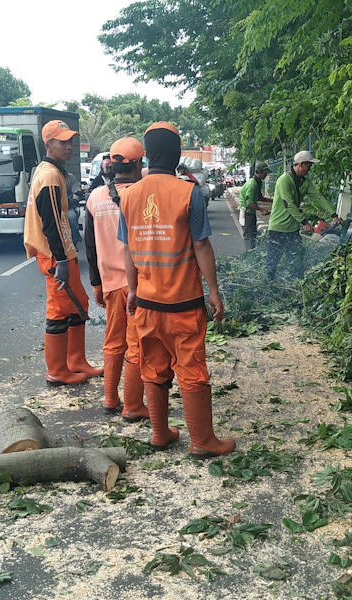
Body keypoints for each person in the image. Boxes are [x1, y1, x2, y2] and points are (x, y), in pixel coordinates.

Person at [118, 122, 235, 458]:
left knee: (153, 367)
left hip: (147, 304)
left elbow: (127, 249)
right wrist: (213, 291)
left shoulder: (131, 196)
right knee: (191, 368)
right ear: (176, 153)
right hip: (182, 305)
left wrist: (131, 290)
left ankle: (160, 432)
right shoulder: (188, 193)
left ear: (149, 154)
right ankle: (202, 441)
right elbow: (201, 247)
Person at [23, 120, 104, 386]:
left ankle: (76, 362)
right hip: (53, 253)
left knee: (77, 304)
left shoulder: (53, 172)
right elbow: (51, 222)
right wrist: (60, 259)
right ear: (48, 144)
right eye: (62, 142)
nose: (69, 146)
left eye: (70, 141)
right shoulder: (48, 176)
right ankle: (57, 370)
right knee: (59, 310)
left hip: (62, 252)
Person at [85, 137, 150, 422]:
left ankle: (110, 397)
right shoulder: (144, 194)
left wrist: (96, 284)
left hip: (110, 283)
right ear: (138, 163)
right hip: (141, 283)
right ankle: (134, 406)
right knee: (136, 345)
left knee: (113, 341)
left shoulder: (95, 196)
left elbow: (89, 244)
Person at [266, 150, 340, 279]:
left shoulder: (304, 182)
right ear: (301, 164)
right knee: (272, 263)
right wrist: (304, 223)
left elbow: (318, 197)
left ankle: (296, 288)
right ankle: (268, 286)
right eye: (308, 166)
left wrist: (333, 214)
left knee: (297, 260)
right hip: (278, 228)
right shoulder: (284, 180)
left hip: (293, 229)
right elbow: (288, 204)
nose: (309, 169)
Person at [238, 161, 271, 250]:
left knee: (253, 233)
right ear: (259, 172)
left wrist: (271, 201)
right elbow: (250, 203)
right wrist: (262, 210)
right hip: (247, 211)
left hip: (250, 211)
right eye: (265, 173)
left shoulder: (258, 182)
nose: (266, 175)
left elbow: (259, 197)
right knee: (249, 234)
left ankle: (252, 250)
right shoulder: (252, 184)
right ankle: (249, 252)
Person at [65, 171, 83, 247]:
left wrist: (74, 200)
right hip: (52, 208)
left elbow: (76, 190)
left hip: (68, 207)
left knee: (71, 217)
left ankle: (73, 242)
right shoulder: (48, 178)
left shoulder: (70, 177)